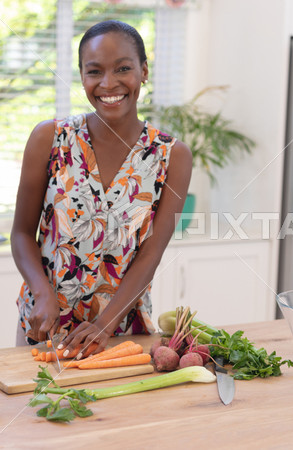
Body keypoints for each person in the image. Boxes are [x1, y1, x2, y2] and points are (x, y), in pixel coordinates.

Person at [11, 20, 192, 358]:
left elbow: (151, 254)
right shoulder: (49, 139)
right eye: (95, 71)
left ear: (144, 71)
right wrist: (42, 293)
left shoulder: (172, 156)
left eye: (123, 68)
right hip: (44, 326)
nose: (109, 84)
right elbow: (22, 233)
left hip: (121, 334)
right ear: (81, 76)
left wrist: (105, 324)